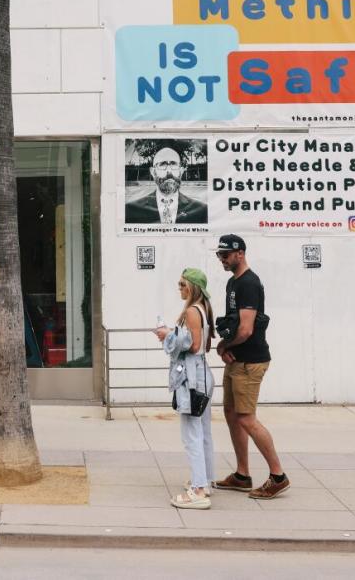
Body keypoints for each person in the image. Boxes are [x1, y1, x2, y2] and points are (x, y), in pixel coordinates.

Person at [211, 234, 289, 499]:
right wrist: (228, 346)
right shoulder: (233, 283)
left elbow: (245, 330)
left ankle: (278, 475)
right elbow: (235, 325)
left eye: (226, 254)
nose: (222, 259)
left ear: (240, 253)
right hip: (237, 359)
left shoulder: (249, 284)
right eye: (219, 255)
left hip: (250, 361)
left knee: (246, 417)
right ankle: (242, 475)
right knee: (232, 413)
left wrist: (223, 346)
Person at [153, 268, 216, 510]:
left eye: (182, 284)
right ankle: (205, 480)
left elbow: (194, 345)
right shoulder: (204, 308)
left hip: (192, 378)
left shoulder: (191, 311)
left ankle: (198, 490)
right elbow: (205, 346)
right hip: (203, 374)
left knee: (191, 434)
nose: (179, 288)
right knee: (204, 432)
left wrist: (168, 335)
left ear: (191, 286)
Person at [125, 146, 207, 224]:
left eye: (173, 164)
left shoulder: (201, 210)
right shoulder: (130, 210)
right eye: (163, 164)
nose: (169, 171)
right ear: (153, 172)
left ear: (181, 171)